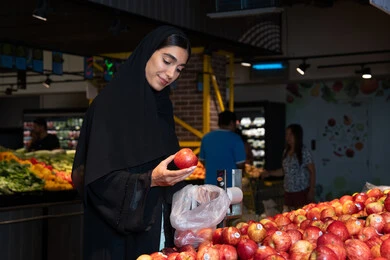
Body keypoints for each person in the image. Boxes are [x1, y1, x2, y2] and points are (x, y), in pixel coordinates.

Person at [71, 25, 195, 260]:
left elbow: (165, 164)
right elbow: (96, 181)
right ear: (148, 52)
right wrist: (150, 180)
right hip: (115, 241)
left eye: (179, 69)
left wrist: (189, 194)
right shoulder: (109, 106)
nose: (171, 74)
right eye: (167, 61)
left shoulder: (162, 108)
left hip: (157, 235)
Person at [262, 124, 316, 212]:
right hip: (288, 191)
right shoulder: (286, 152)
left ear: (297, 135)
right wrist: (269, 173)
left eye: (291, 134)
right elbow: (284, 171)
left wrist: (311, 190)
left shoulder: (304, 151)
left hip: (301, 192)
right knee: (289, 216)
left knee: (301, 216)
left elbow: (312, 171)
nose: (288, 137)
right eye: (287, 134)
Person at [199, 110, 246, 188]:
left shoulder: (206, 138)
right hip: (232, 182)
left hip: (211, 181)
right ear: (232, 123)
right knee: (231, 200)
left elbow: (202, 160)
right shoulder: (236, 139)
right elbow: (240, 164)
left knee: (212, 200)